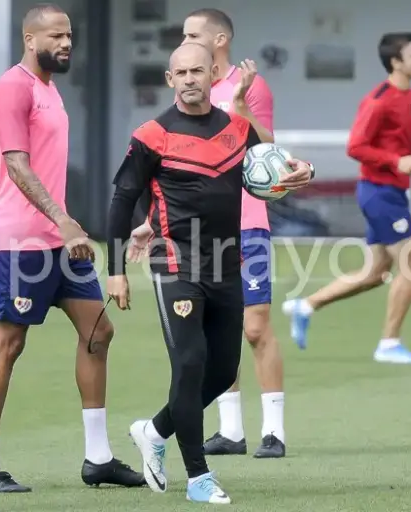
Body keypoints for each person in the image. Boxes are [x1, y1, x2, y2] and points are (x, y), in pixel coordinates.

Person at [106, 42, 312, 505]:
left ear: (213, 72)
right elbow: (121, 200)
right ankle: (198, 477)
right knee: (190, 363)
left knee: (221, 373)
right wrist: (114, 270)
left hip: (227, 263)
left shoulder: (238, 130)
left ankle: (154, 431)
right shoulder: (151, 135)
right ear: (169, 79)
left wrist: (302, 170)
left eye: (198, 71)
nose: (190, 79)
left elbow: (272, 171)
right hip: (175, 263)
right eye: (181, 73)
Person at [0, 3, 144, 493]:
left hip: (57, 240)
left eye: (70, 36)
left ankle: (98, 458)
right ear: (30, 39)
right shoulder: (11, 87)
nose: (67, 44)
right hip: (18, 240)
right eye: (57, 36)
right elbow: (18, 166)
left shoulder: (50, 90)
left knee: (98, 332)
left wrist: (63, 227)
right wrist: (64, 219)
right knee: (9, 343)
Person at [129, 7, 286, 459]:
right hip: (194, 234)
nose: (185, 41)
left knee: (255, 328)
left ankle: (273, 429)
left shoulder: (249, 85)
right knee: (212, 332)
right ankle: (231, 430)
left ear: (218, 41)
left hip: (247, 223)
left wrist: (239, 107)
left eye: (193, 34)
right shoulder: (186, 89)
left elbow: (267, 154)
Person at [283, 32, 411, 365]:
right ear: (396, 62)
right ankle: (389, 344)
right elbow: (356, 147)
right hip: (379, 193)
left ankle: (306, 306)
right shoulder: (378, 100)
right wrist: (397, 161)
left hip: (392, 192)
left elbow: (394, 139)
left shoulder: (408, 96)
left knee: (378, 272)